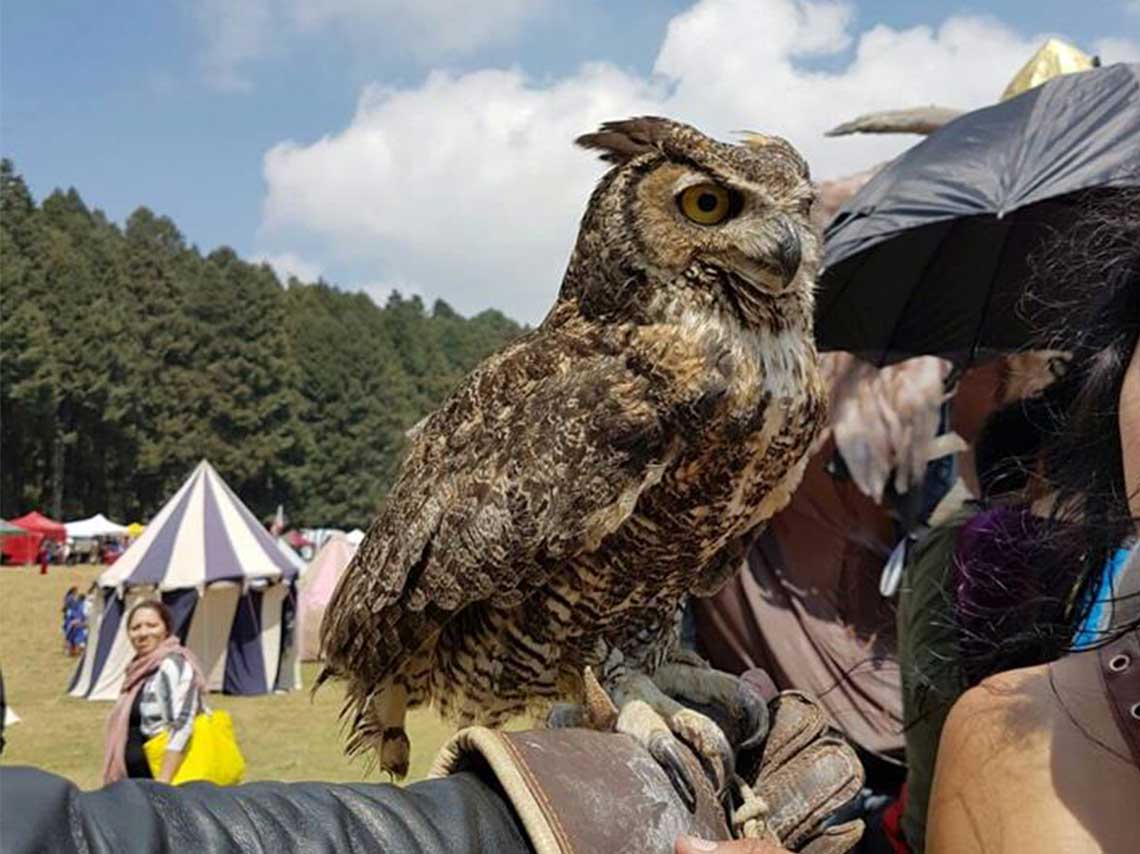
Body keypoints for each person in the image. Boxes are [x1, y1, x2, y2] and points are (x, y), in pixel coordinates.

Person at [102, 600, 207, 784]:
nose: (143, 633)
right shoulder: (137, 672)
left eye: (151, 625)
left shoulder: (172, 664)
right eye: (135, 628)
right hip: (138, 783)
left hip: (167, 783)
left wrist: (163, 781)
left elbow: (182, 724)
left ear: (166, 629)